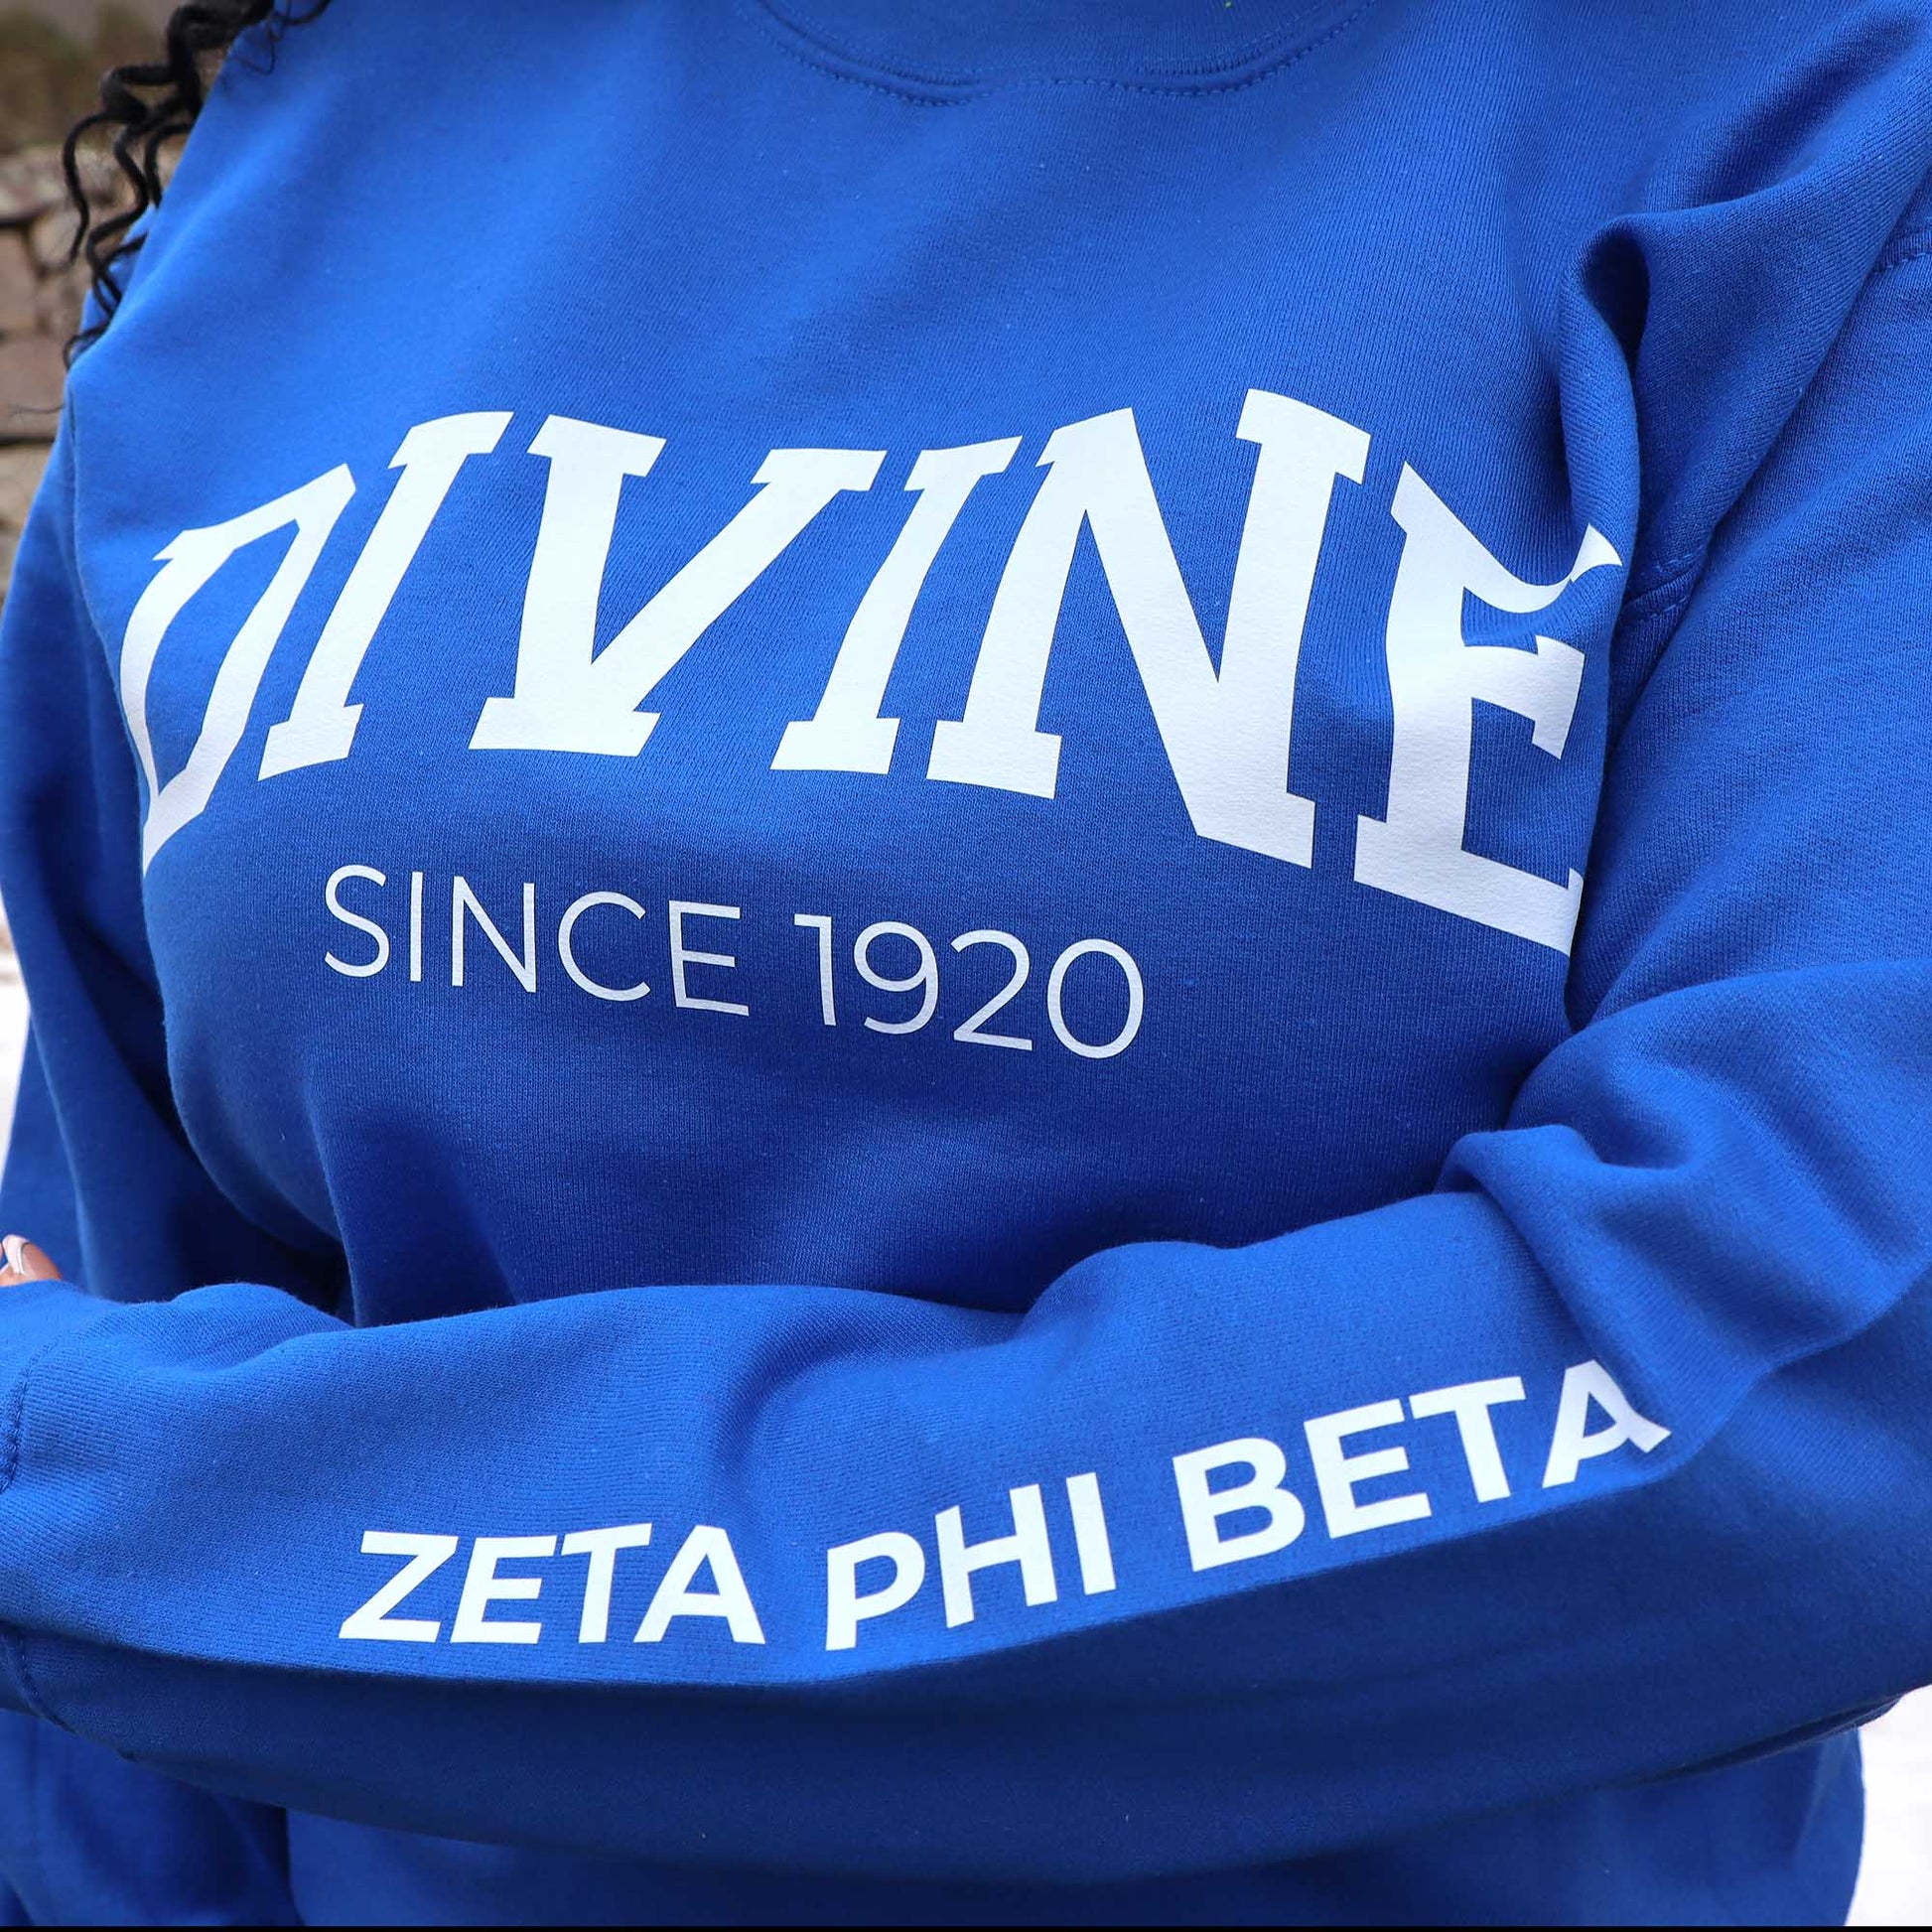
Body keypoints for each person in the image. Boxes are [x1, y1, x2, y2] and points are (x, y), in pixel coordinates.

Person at [0, 0, 1927, 1922]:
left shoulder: (1806, 119)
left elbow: (1797, 1382)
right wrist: (119, 1522)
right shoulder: (329, 124)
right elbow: (130, 1288)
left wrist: (156, 1524)